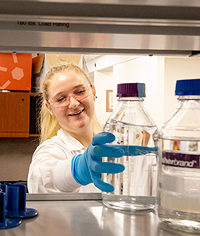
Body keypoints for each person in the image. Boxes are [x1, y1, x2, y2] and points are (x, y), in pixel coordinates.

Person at [28, 63, 127, 193]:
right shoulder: (51, 150)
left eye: (80, 92)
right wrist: (78, 169)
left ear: (93, 92)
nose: (74, 103)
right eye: (61, 99)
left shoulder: (111, 144)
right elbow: (41, 180)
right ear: (50, 108)